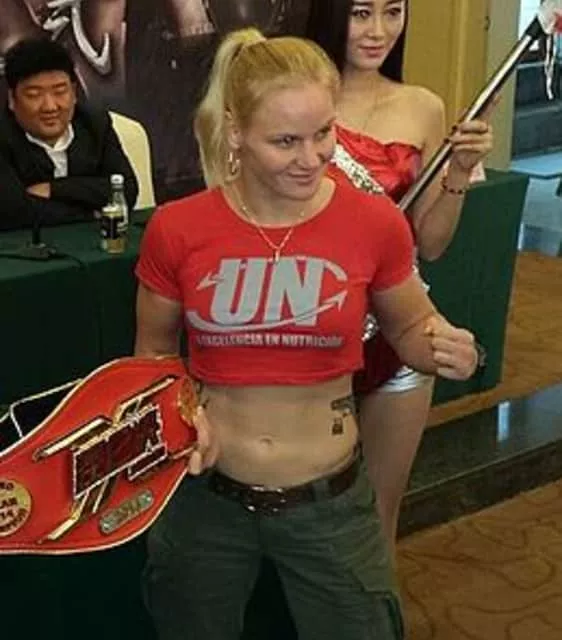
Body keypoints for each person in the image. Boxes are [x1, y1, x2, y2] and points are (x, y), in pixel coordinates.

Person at [134, 27, 478, 639]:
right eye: (285, 141)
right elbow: (155, 353)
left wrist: (443, 345)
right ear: (236, 133)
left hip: (331, 504)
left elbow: (409, 323)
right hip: (205, 499)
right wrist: (178, 414)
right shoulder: (178, 228)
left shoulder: (372, 222)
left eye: (324, 133)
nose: (313, 157)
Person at [306, 0, 494, 549]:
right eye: (361, 13)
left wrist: (459, 170)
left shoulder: (422, 106)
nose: (378, 31)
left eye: (393, 12)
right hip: (312, 328)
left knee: (378, 517)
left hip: (399, 328)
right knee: (306, 517)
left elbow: (430, 243)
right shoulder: (293, 101)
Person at [0, 36, 137, 231]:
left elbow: (125, 190)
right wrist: (91, 213)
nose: (50, 107)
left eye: (60, 91)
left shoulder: (94, 124)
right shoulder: (3, 136)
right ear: (12, 100)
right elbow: (13, 212)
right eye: (34, 95)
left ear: (74, 92)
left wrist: (55, 189)